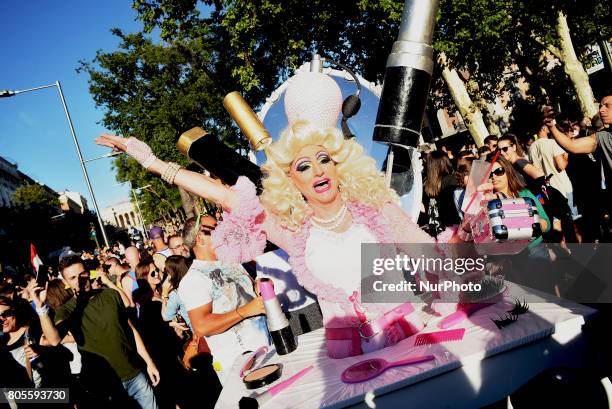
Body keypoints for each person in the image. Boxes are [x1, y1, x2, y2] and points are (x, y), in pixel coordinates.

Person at [30, 255, 160, 409]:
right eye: (72, 278)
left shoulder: (110, 294)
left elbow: (130, 329)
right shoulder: (66, 310)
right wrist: (41, 308)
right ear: (65, 282)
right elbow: (54, 340)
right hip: (106, 384)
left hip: (135, 374)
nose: (79, 280)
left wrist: (149, 362)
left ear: (89, 273)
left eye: (82, 274)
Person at [176, 215, 269, 384]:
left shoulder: (231, 261)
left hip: (266, 349)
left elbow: (244, 297)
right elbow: (202, 325)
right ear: (200, 239)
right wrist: (245, 311)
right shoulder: (193, 279)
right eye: (216, 229)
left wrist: (257, 289)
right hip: (239, 365)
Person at [544, 95, 612, 225]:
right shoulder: (602, 137)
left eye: (607, 106)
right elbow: (572, 146)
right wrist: (552, 126)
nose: (601, 110)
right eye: (601, 106)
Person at [419, 150, 461, 238]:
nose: (424, 165)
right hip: (451, 229)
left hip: (437, 229)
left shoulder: (425, 184)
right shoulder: (451, 180)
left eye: (426, 163)